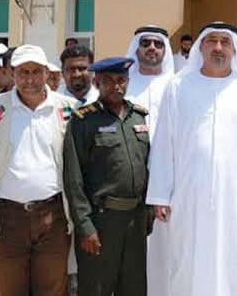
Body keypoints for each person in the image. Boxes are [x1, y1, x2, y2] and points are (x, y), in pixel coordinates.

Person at [146, 22, 237, 295]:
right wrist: (160, 194)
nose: (218, 48)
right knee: (187, 259)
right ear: (201, 47)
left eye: (225, 42)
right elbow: (163, 144)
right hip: (188, 195)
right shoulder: (178, 87)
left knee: (235, 257)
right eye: (212, 41)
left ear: (234, 49)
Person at [0, 44, 77, 296]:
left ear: (47, 73)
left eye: (36, 72)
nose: (30, 79)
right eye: (23, 72)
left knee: (52, 288)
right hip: (8, 217)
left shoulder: (68, 109)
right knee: (7, 287)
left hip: (53, 215)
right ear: (11, 73)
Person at [63, 57, 154, 296]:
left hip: (135, 220)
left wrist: (148, 211)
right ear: (97, 83)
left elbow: (148, 167)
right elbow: (73, 178)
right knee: (97, 288)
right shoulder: (84, 120)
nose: (116, 86)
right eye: (109, 81)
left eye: (121, 80)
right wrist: (85, 226)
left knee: (134, 287)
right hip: (101, 221)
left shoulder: (138, 117)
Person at [123, 25, 174, 296]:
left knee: (168, 251)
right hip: (130, 181)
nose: (152, 48)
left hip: (171, 182)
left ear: (165, 50)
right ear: (136, 49)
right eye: (146, 43)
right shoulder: (123, 85)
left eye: (158, 44)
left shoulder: (178, 85)